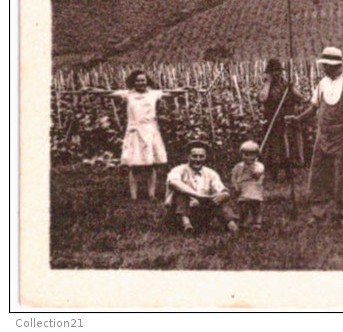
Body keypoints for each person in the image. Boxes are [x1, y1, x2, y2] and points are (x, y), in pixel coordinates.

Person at [286, 46, 343, 225]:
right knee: (319, 171)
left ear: (337, 65)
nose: (325, 68)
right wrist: (298, 119)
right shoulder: (322, 84)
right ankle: (319, 212)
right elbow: (314, 107)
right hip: (324, 133)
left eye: (328, 65)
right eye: (325, 65)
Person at [87, 71, 183, 200]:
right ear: (133, 82)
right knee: (134, 165)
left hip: (150, 130)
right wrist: (91, 90)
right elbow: (107, 93)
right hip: (135, 131)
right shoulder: (128, 94)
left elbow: (171, 93)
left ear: (147, 81)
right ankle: (134, 196)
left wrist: (185, 89)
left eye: (143, 80)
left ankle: (151, 194)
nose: (141, 83)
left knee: (151, 165)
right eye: (138, 81)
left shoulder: (153, 94)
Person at [165, 140, 239, 234]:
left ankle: (233, 227)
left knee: (218, 199)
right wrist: (196, 195)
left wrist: (223, 195)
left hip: (200, 213)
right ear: (188, 156)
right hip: (176, 214)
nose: (198, 159)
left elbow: (223, 190)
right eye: (194, 156)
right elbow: (173, 183)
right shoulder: (179, 170)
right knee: (180, 194)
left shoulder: (210, 173)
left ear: (206, 157)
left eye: (201, 156)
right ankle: (186, 225)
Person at [259, 58, 306, 181]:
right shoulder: (267, 85)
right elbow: (263, 98)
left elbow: (300, 97)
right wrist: (268, 83)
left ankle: (289, 174)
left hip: (286, 119)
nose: (277, 73)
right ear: (269, 73)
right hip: (272, 120)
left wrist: (291, 87)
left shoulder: (286, 85)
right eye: (273, 71)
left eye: (278, 71)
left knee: (288, 146)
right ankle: (274, 174)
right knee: (274, 147)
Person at [231, 140, 265, 228]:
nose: (248, 157)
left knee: (256, 205)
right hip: (243, 187)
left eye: (252, 155)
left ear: (256, 156)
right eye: (245, 155)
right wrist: (235, 186)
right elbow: (234, 177)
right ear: (241, 155)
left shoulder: (258, 166)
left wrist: (255, 172)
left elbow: (259, 175)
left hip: (254, 187)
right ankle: (243, 220)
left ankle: (257, 221)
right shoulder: (238, 166)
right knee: (243, 205)